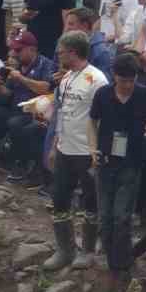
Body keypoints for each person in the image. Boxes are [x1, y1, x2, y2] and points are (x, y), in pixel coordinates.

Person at [88, 53, 146, 292]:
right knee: (106, 218)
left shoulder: (145, 96)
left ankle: (122, 265)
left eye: (131, 80)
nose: (128, 85)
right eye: (123, 81)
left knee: (122, 216)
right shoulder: (103, 95)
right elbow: (92, 121)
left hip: (132, 161)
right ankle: (114, 262)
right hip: (106, 162)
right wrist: (92, 149)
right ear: (115, 77)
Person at [42, 31, 110, 271]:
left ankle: (89, 250)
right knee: (59, 197)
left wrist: (98, 151)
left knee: (90, 201)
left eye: (60, 51)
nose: (58, 55)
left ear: (72, 52)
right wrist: (54, 145)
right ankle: (65, 249)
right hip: (65, 148)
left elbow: (103, 118)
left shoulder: (97, 80)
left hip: (87, 150)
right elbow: (61, 113)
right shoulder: (67, 78)